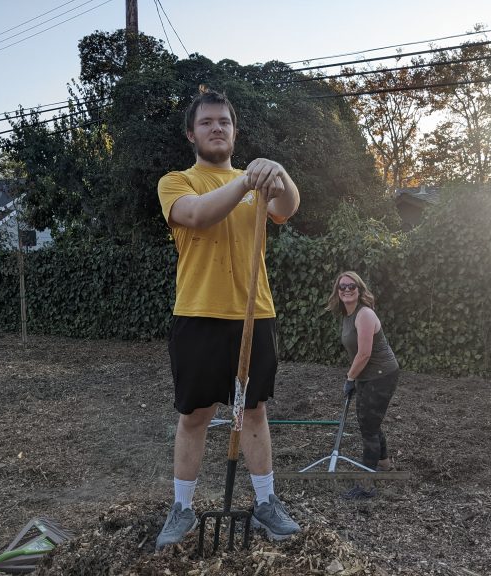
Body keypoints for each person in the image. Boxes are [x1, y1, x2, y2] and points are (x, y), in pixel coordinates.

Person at [155, 89, 301, 548]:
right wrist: (245, 183)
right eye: (207, 122)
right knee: (195, 416)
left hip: (254, 315)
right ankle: (181, 509)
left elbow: (285, 208)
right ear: (191, 134)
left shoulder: (256, 180)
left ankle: (266, 503)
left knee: (254, 412)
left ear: (235, 132)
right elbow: (197, 217)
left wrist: (280, 174)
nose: (217, 128)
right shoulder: (177, 182)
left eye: (224, 122)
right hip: (198, 314)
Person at [326, 271, 400, 499]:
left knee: (368, 427)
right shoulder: (348, 315)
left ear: (359, 290)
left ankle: (366, 486)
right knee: (371, 422)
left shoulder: (364, 314)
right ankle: (385, 465)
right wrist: (355, 377)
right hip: (368, 375)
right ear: (337, 291)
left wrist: (350, 378)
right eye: (342, 286)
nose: (347, 289)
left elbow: (365, 353)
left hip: (381, 375)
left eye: (352, 286)